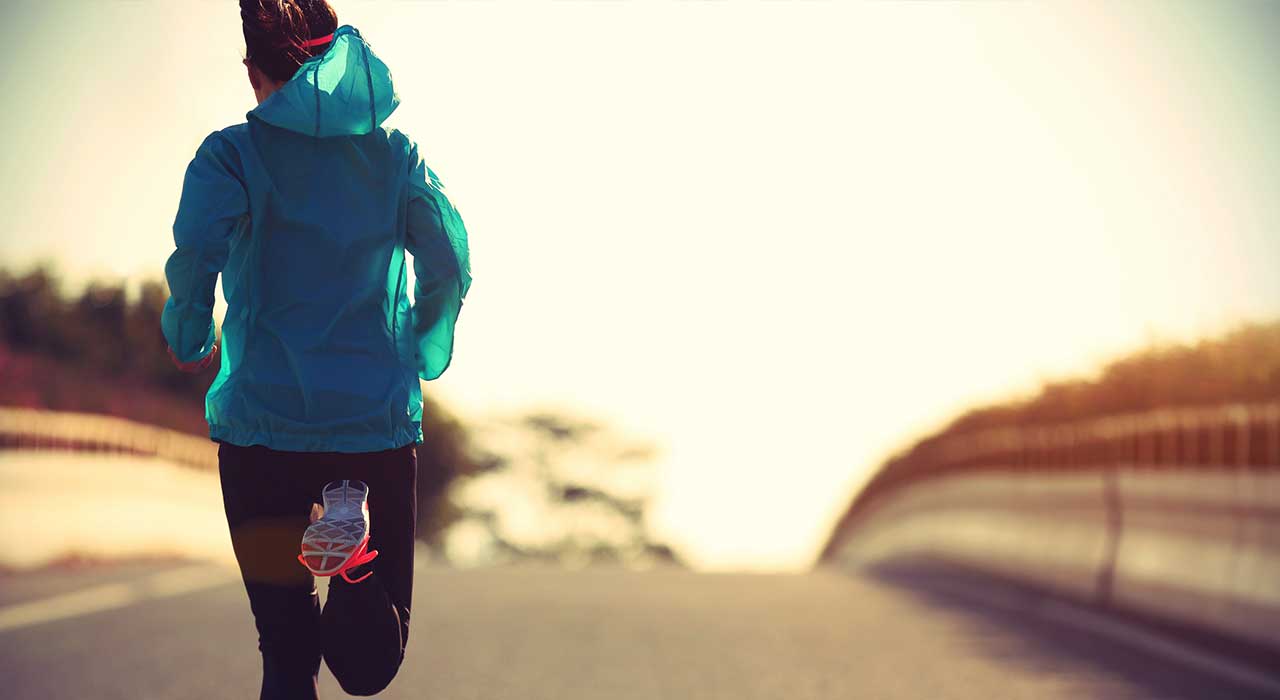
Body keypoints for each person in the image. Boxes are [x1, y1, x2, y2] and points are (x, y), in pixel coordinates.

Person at [159, 1, 471, 697]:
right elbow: (448, 257)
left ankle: (346, 548)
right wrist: (427, 343)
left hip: (259, 438)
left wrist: (189, 332)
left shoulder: (229, 154)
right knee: (370, 666)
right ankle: (353, 560)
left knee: (286, 650)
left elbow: (195, 257)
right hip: (373, 437)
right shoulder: (395, 156)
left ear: (252, 70)